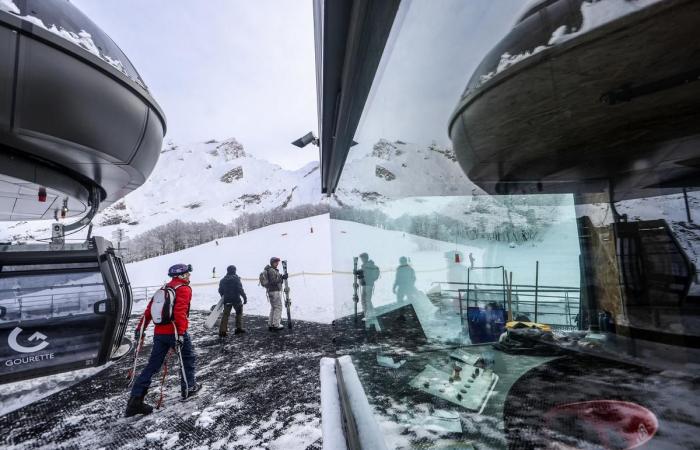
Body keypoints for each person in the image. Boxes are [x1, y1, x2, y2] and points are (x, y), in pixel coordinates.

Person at [125, 263, 201, 417]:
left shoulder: (163, 289)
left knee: (152, 365)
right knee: (187, 358)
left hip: (159, 333)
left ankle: (135, 400)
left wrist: (141, 328)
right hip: (175, 331)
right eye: (187, 273)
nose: (189, 275)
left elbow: (149, 310)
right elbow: (180, 313)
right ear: (181, 275)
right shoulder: (184, 289)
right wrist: (180, 334)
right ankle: (188, 388)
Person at [218, 265, 247, 337]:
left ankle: (222, 331)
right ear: (234, 270)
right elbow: (240, 289)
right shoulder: (236, 278)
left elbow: (220, 290)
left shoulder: (222, 280)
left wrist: (223, 297)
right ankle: (238, 328)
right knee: (239, 313)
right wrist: (244, 297)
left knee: (225, 315)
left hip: (227, 300)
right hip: (236, 299)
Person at [262, 257, 287, 331]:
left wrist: (281, 278)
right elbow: (273, 281)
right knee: (278, 307)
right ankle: (276, 324)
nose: (277, 263)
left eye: (277, 262)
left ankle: (271, 324)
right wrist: (282, 278)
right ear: (272, 262)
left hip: (271, 291)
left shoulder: (269, 270)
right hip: (274, 291)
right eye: (275, 262)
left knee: (274, 307)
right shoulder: (271, 270)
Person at [356, 253, 380, 319]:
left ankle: (369, 315)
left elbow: (369, 274)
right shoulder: (365, 266)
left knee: (366, 300)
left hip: (368, 285)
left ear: (366, 258)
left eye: (362, 258)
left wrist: (364, 276)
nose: (362, 260)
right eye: (361, 258)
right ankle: (371, 314)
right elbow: (364, 274)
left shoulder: (369, 265)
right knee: (366, 300)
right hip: (365, 285)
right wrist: (360, 275)